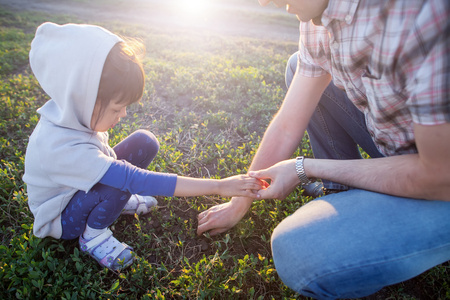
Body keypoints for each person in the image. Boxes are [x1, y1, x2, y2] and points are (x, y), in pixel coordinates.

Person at [197, 0, 450, 298]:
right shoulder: (315, 17)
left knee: (300, 252)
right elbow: (286, 126)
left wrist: (305, 167)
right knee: (300, 65)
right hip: (405, 146)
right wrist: (239, 202)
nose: (263, 1)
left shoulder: (423, 14)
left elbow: (439, 176)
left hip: (442, 177)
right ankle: (343, 196)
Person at [23, 22, 263, 271]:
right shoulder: (61, 148)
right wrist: (220, 186)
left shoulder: (75, 114)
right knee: (120, 183)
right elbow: (133, 177)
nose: (123, 114)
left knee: (144, 142)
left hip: (81, 185)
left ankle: (112, 202)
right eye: (117, 108)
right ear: (83, 99)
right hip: (62, 219)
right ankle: (92, 236)